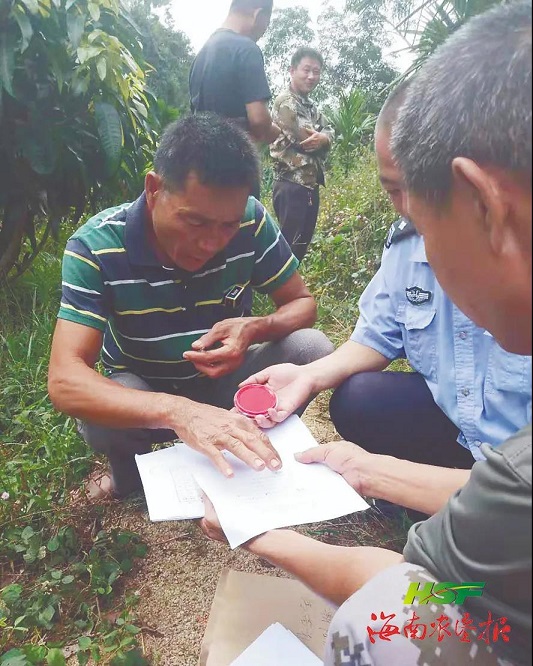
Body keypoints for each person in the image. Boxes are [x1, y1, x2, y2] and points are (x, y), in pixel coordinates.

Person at [201, 3, 532, 665]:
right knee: (360, 398)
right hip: (482, 462)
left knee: (391, 623)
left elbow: (416, 594)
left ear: (483, 204)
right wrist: (347, 440)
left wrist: (260, 532)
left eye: (419, 201)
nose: (414, 230)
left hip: (497, 486)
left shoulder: (516, 481)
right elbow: (378, 336)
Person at [237, 79, 531, 492]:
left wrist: (379, 477)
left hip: (519, 463)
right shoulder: (409, 245)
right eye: (394, 189)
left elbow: (518, 502)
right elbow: (378, 334)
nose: (411, 211)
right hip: (467, 431)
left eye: (420, 189)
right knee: (360, 398)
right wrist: (309, 376)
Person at [47, 114, 333, 500]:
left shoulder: (251, 221)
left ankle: (248, 455)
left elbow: (301, 303)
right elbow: (65, 379)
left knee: (312, 349)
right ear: (154, 189)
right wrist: (180, 411)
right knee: (100, 414)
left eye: (227, 226)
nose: (211, 243)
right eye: (195, 222)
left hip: (227, 384)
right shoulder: (96, 247)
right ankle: (130, 478)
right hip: (144, 389)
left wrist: (256, 328)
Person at [189, 0, 279, 200]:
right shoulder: (246, 48)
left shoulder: (201, 54)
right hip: (236, 170)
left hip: (202, 171)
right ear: (257, 14)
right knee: (241, 219)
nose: (264, 31)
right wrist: (273, 130)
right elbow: (259, 121)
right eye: (267, 23)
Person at [270, 47, 334, 261]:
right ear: (292, 70)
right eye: (306, 70)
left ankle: (291, 283)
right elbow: (306, 139)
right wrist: (322, 137)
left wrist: (324, 138)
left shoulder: (309, 105)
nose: (311, 76)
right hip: (291, 184)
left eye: (316, 71)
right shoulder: (286, 102)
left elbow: (329, 130)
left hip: (309, 185)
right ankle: (277, 284)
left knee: (299, 250)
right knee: (287, 252)